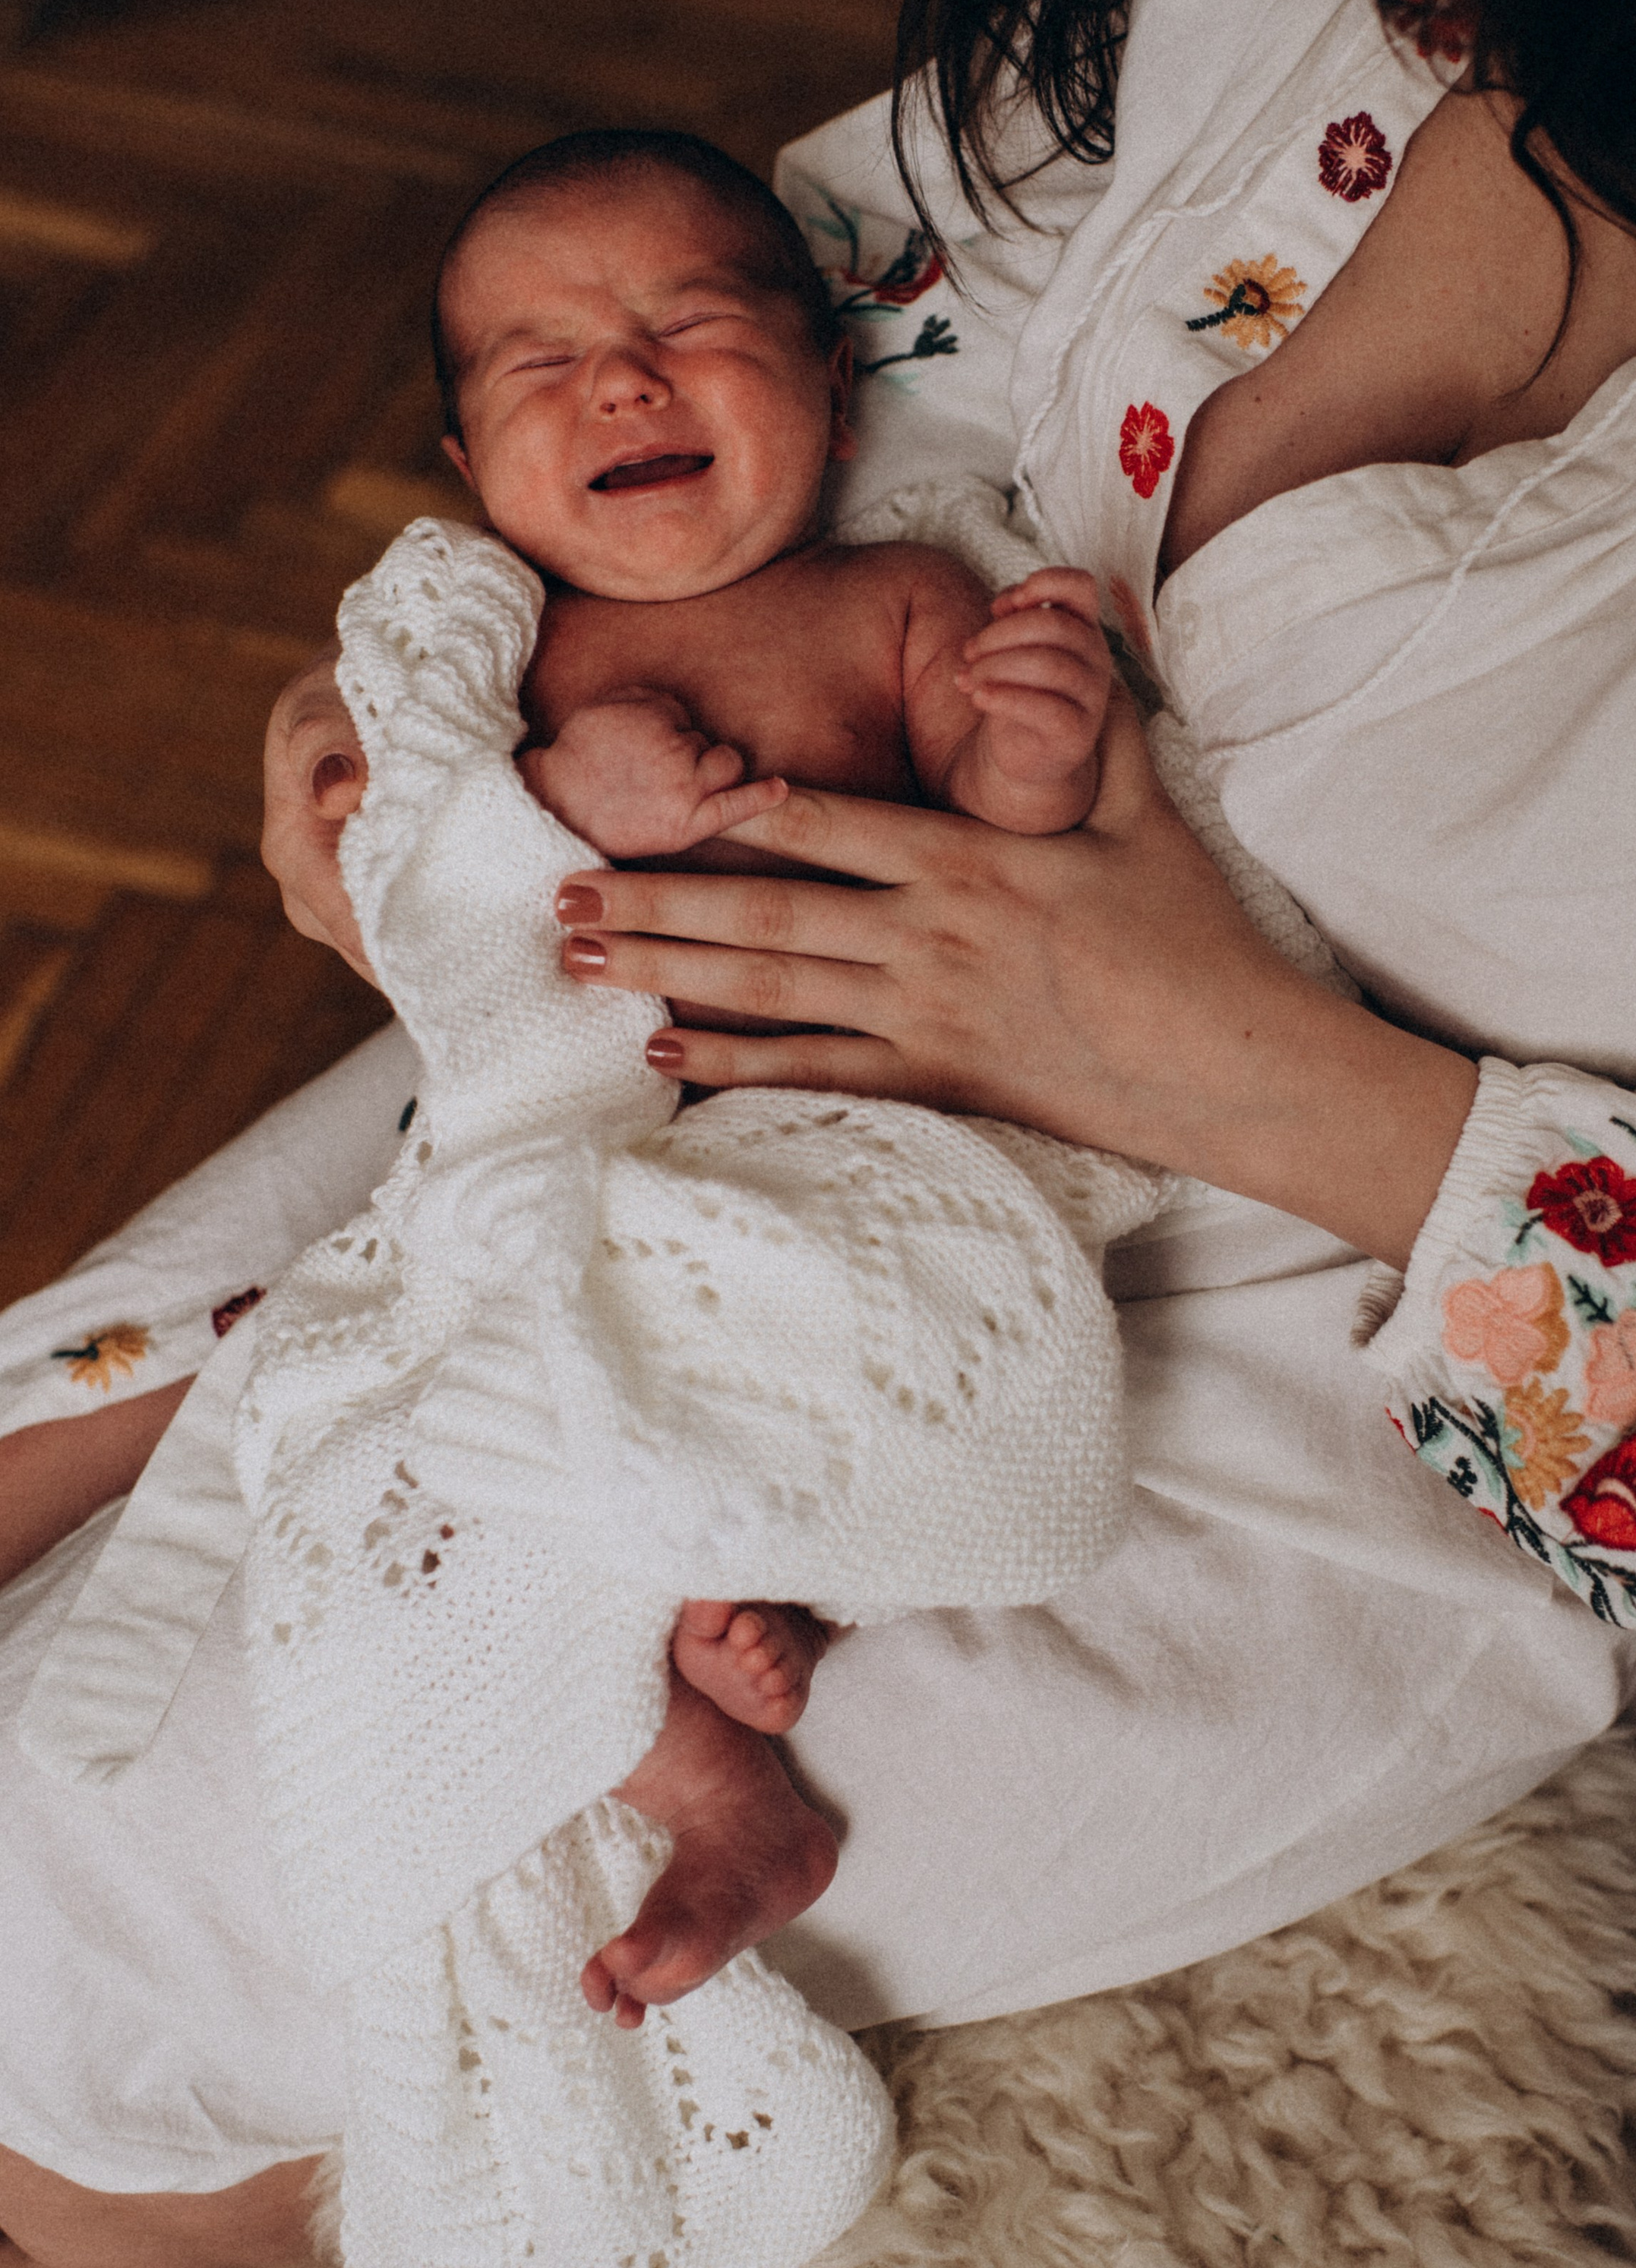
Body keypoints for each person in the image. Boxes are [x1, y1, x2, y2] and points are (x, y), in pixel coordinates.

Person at [2, 0, 1636, 2258]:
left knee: (105, 1944)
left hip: (1268, 1391)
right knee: (57, 1450)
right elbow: (802, 285)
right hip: (751, 1055)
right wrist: (474, 688)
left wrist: (1205, 1048)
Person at [280, 116, 1122, 2036]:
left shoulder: (899, 600)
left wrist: (1034, 746)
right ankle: (706, 1770)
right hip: (583, 1143)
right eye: (541, 365)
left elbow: (999, 846)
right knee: (413, 1446)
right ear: (471, 470)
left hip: (835, 1132)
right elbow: (414, 884)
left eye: (692, 321)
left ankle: (787, 1585)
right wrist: (549, 808)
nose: (624, 379)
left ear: (834, 393)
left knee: (833, 1347)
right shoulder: (505, 662)